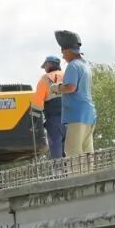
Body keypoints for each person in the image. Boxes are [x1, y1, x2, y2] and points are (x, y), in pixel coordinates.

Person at [50, 30, 96, 158]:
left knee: (72, 151)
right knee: (87, 152)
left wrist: (57, 88)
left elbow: (71, 87)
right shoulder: (85, 65)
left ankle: (76, 178)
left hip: (77, 114)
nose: (63, 56)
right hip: (89, 114)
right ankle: (89, 176)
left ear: (68, 50)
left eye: (63, 51)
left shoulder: (73, 66)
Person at [33, 55, 65, 158]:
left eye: (45, 66)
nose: (45, 69)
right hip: (71, 117)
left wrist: (32, 121)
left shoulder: (45, 79)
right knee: (70, 149)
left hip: (54, 120)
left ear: (49, 64)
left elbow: (37, 103)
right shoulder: (67, 75)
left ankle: (58, 173)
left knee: (56, 149)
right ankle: (72, 172)